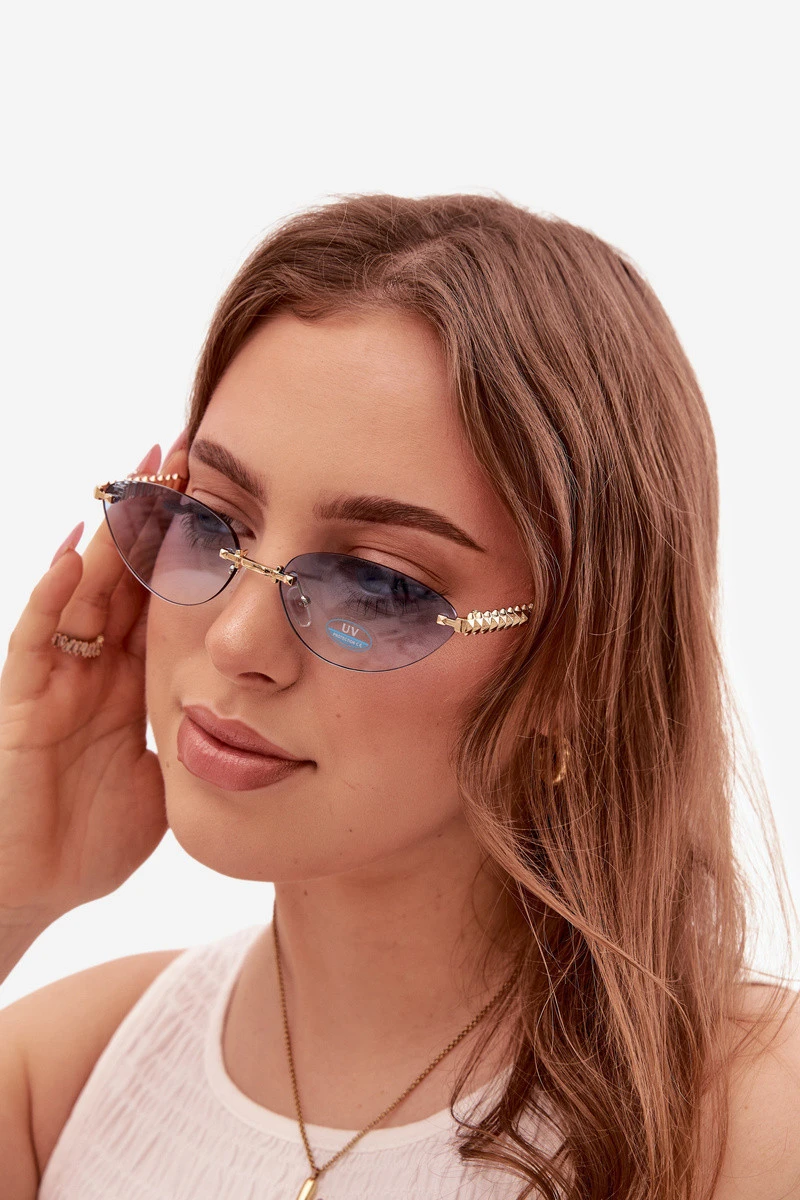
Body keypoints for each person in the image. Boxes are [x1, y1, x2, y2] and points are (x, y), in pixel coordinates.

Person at [1, 193, 798, 1200]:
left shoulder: (753, 1122)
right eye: (212, 524)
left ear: (578, 665)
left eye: (377, 585)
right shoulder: (58, 1081)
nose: (238, 642)